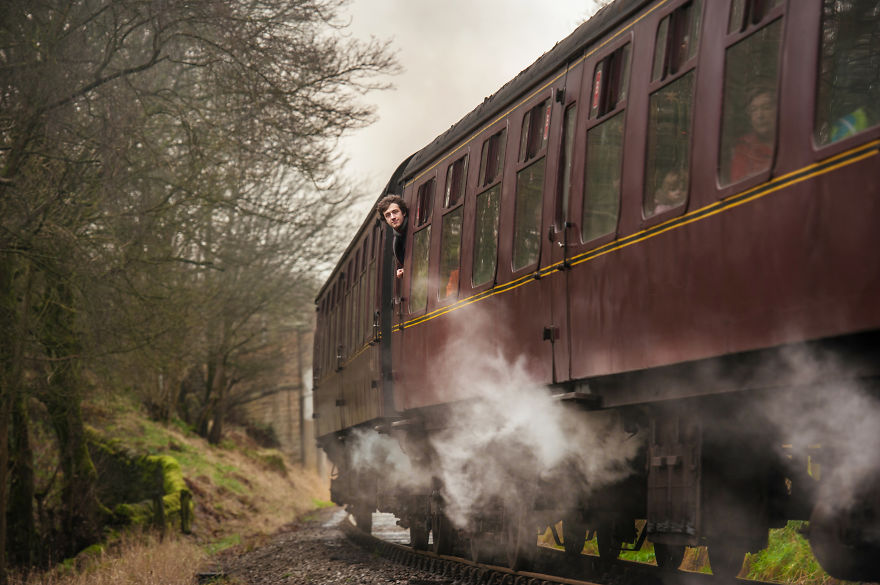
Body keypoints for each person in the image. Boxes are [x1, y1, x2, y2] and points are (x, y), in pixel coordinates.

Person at [729, 89, 776, 182]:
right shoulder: (744, 149)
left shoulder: (792, 140)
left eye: (766, 107)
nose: (760, 115)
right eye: (754, 110)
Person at [376, 194, 408, 278]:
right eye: (388, 215)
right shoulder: (397, 242)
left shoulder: (412, 228)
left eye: (395, 212)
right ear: (386, 220)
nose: (392, 217)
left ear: (403, 212)